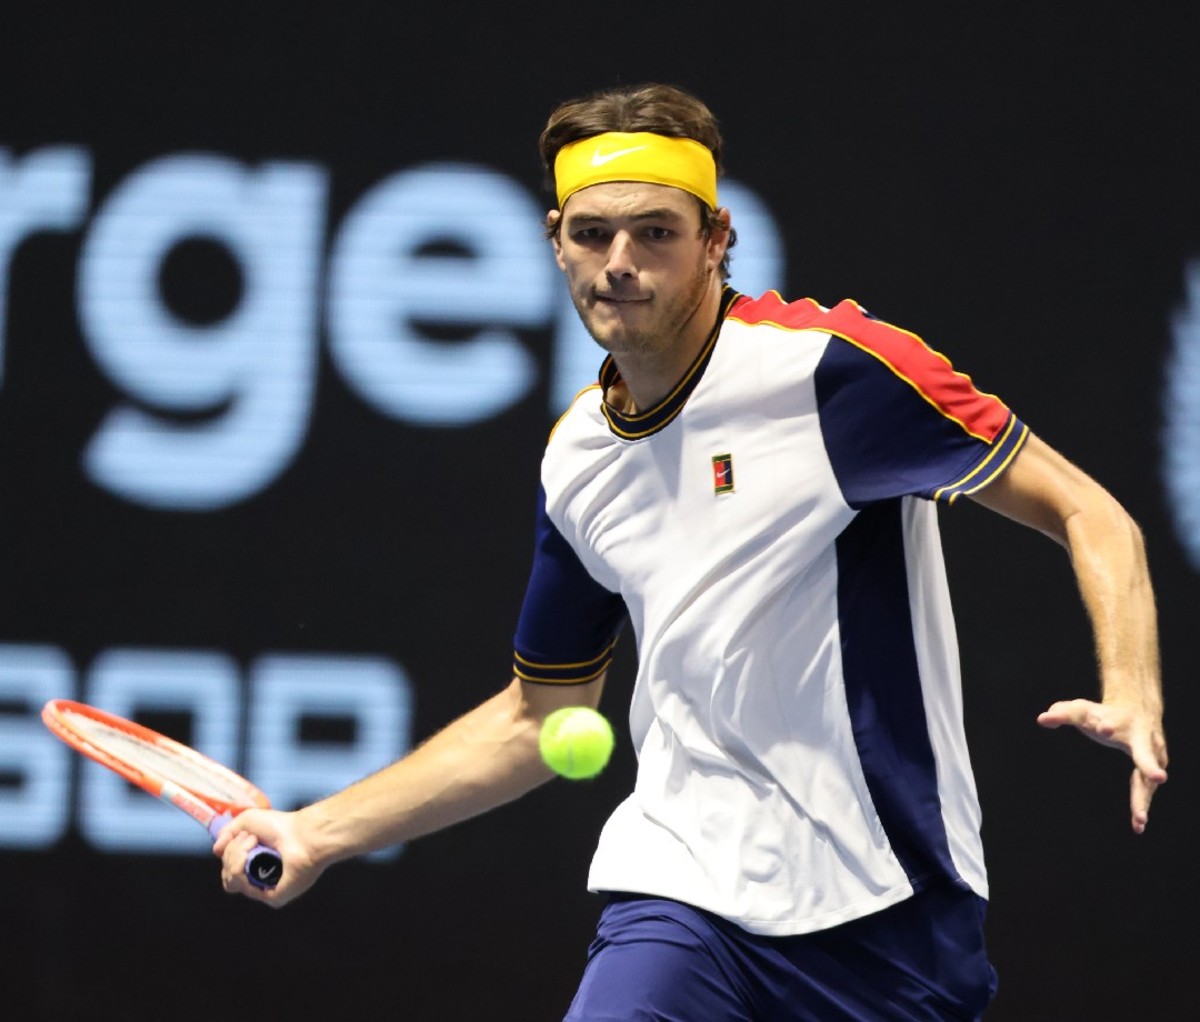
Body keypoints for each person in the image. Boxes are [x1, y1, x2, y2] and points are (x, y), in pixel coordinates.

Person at [215, 82, 1168, 1020]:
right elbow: (536, 719)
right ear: (555, 241)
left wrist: (1131, 688)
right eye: (592, 234)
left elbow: (1091, 512)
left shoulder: (829, 371)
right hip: (682, 892)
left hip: (891, 909)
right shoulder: (578, 459)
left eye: (657, 233)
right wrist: (317, 833)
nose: (619, 262)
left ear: (716, 240)